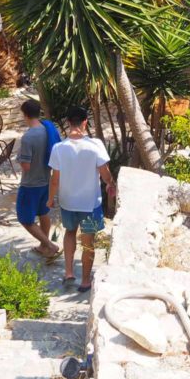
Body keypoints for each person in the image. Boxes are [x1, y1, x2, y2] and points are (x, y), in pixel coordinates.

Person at [47, 105, 116, 293]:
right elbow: (105, 174)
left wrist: (50, 199)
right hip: (90, 204)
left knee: (70, 232)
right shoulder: (96, 146)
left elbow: (55, 179)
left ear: (68, 123)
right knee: (88, 243)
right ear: (85, 122)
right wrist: (111, 184)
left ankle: (69, 272)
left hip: (68, 203)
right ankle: (85, 281)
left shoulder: (59, 148)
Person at [16, 99, 60, 259]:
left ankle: (50, 245)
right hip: (45, 181)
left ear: (25, 115)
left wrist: (19, 158)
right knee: (43, 213)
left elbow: (26, 166)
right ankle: (43, 246)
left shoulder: (28, 137)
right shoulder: (48, 129)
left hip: (30, 184)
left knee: (25, 219)